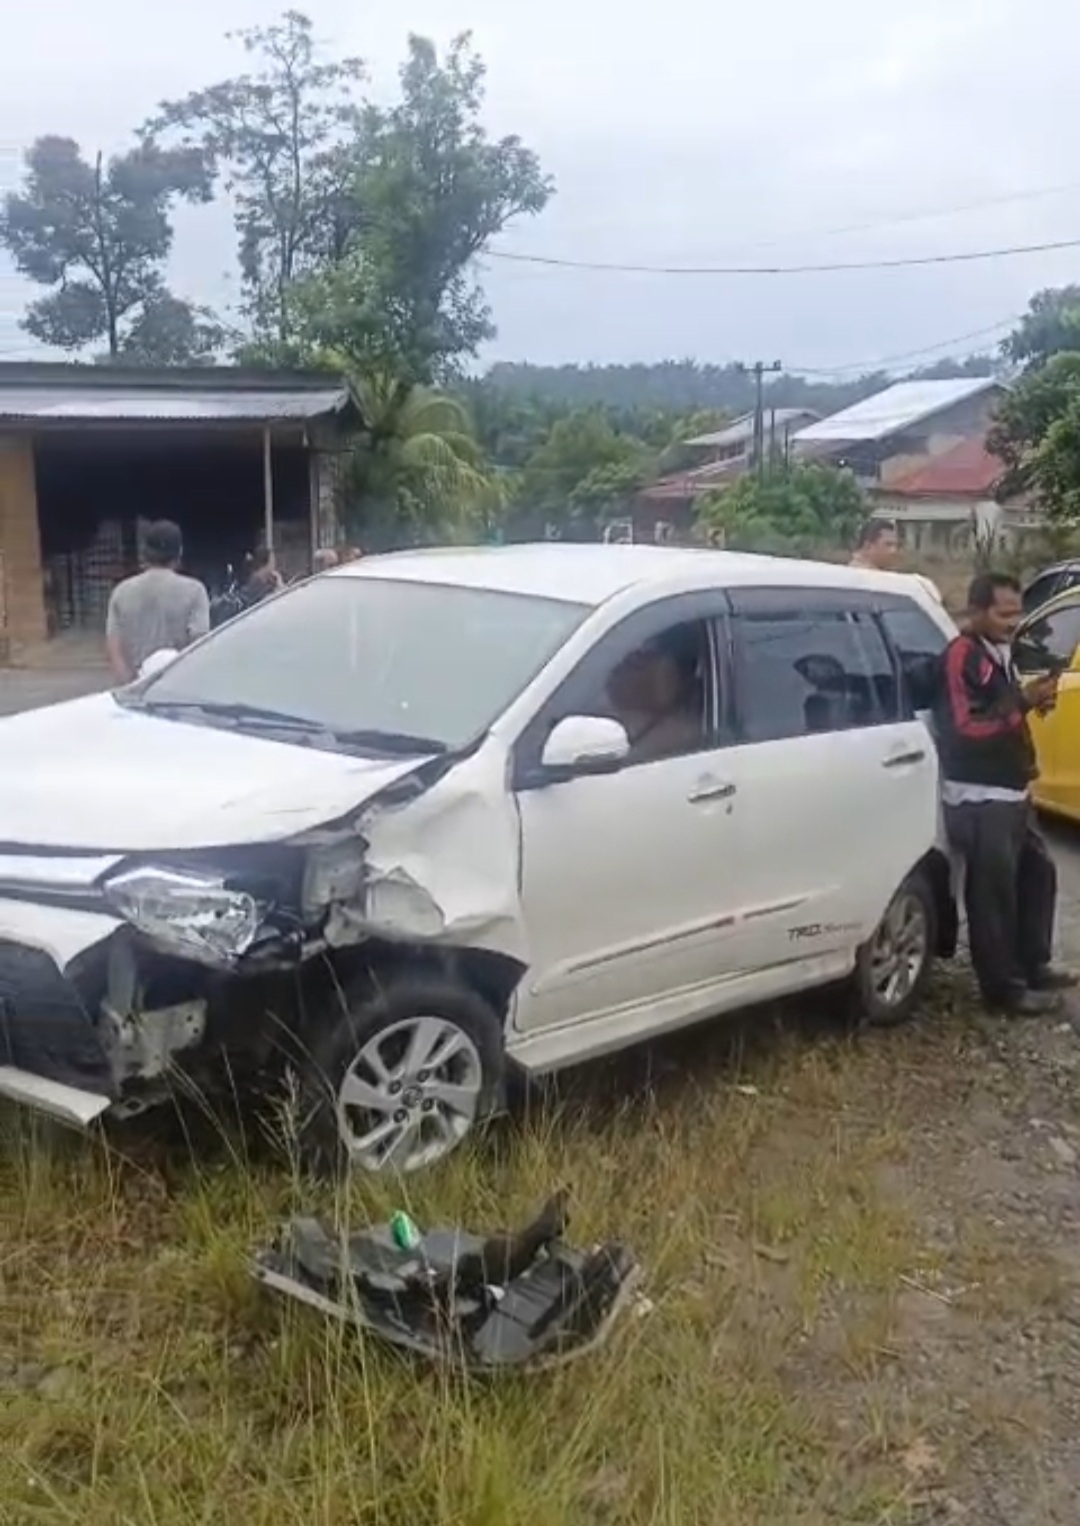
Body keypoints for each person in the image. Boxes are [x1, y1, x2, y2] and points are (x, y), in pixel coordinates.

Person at [933, 571, 1076, 1016]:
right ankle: (1003, 990)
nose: (1013, 622)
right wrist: (1022, 704)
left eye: (1017, 613)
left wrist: (1027, 702)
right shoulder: (960, 657)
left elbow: (1003, 713)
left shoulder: (1001, 652)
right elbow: (964, 729)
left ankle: (1034, 965)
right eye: (1003, 614)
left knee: (1039, 875)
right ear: (976, 612)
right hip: (979, 797)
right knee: (992, 896)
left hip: (1012, 791)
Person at [105, 520, 209, 685]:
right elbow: (199, 642)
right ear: (180, 552)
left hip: (136, 686)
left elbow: (114, 645)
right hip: (179, 683)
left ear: (144, 553)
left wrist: (128, 684)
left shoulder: (121, 591)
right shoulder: (195, 591)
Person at [850, 517, 943, 601]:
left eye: (896, 546)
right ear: (868, 547)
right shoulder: (866, 580)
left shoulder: (873, 577)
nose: (894, 551)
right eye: (888, 545)